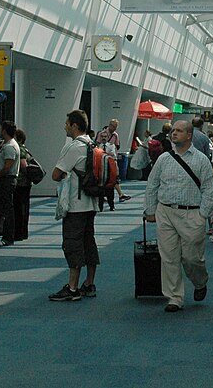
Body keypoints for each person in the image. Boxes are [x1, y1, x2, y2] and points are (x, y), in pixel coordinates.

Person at [144, 119, 213, 313]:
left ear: (189, 135)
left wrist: (202, 216)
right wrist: (151, 210)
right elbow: (152, 185)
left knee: (192, 258)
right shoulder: (164, 159)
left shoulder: (201, 160)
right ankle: (174, 297)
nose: (174, 133)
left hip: (192, 213)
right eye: (173, 130)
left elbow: (209, 190)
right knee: (169, 257)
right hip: (165, 212)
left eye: (179, 131)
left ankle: (200, 282)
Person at [49, 110, 99, 302]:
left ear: (75, 126)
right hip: (91, 202)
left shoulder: (74, 147)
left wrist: (64, 175)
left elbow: (55, 174)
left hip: (76, 204)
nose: (65, 126)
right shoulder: (93, 145)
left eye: (67, 123)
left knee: (72, 243)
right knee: (89, 241)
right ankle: (89, 283)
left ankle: (72, 287)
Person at [0, 120, 20, 247]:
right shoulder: (5, 144)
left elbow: (7, 167)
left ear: (4, 130)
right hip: (6, 179)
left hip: (7, 179)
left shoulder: (10, 147)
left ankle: (8, 237)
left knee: (7, 209)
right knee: (2, 207)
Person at [98, 118, 131, 203]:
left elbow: (117, 146)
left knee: (113, 177)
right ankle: (104, 195)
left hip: (112, 159)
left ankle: (119, 194)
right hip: (102, 159)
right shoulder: (102, 133)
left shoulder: (115, 135)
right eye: (113, 126)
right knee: (103, 178)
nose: (114, 128)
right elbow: (97, 145)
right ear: (110, 125)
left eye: (116, 127)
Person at [13, 128, 33, 242]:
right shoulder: (25, 149)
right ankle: (23, 231)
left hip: (21, 183)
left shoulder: (20, 150)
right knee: (24, 208)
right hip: (26, 183)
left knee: (19, 208)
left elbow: (23, 165)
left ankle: (19, 232)